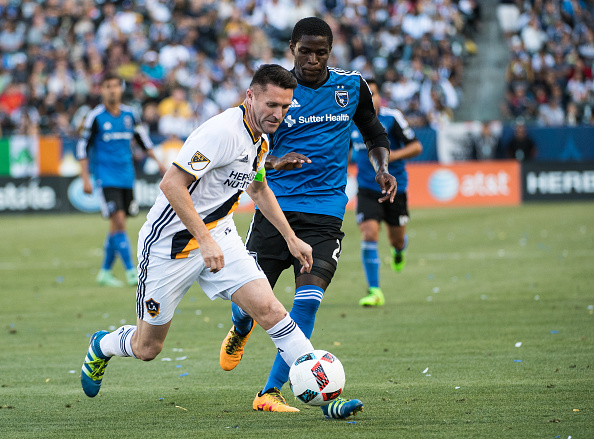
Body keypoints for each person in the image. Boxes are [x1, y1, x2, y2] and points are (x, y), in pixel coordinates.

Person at [80, 64, 320, 404]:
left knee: (270, 310)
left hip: (219, 236)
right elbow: (172, 184)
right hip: (171, 243)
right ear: (250, 96)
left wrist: (290, 237)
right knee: (147, 347)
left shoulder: (261, 139)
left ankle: (323, 391)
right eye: (271, 105)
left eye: (284, 106)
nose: (278, 113)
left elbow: (258, 187)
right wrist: (203, 239)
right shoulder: (221, 132)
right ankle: (102, 344)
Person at [220, 17, 396, 418]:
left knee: (308, 300)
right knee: (251, 303)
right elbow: (246, 146)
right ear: (292, 47)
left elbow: (373, 132)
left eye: (321, 52)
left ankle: (270, 391)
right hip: (274, 210)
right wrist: (277, 161)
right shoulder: (277, 91)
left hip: (325, 213)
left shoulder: (351, 87)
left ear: (331, 51)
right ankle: (241, 326)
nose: (314, 59)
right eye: (306, 51)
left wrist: (382, 167)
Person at [76, 73, 167, 287]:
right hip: (106, 178)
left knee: (117, 226)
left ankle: (105, 272)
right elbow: (82, 148)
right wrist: (85, 178)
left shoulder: (130, 115)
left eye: (115, 86)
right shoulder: (95, 117)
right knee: (117, 221)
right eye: (108, 86)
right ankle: (130, 271)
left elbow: (143, 141)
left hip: (127, 177)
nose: (112, 90)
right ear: (102, 90)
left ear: (121, 89)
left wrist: (161, 164)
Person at [351, 79, 422, 307]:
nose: (370, 99)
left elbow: (416, 146)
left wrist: (387, 159)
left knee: (396, 239)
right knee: (369, 233)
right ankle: (375, 290)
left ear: (381, 96)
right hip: (367, 188)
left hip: (394, 188)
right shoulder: (350, 120)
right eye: (366, 95)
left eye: (373, 94)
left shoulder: (392, 118)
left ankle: (399, 249)